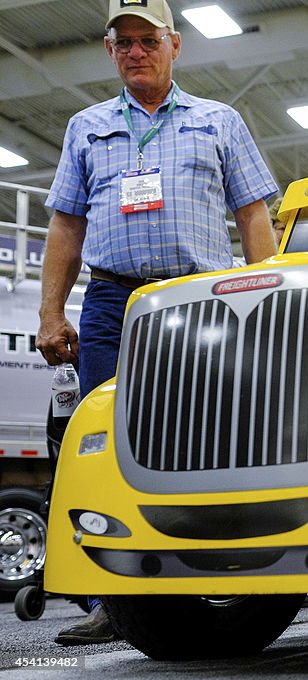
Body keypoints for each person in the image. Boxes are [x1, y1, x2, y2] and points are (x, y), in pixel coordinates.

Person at [37, 0, 279, 644]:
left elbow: (254, 214)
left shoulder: (218, 121)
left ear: (175, 46)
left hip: (204, 297)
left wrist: (271, 293)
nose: (137, 51)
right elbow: (66, 222)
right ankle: (109, 601)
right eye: (125, 42)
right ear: (109, 50)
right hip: (113, 304)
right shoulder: (86, 127)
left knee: (230, 433)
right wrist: (51, 310)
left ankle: (268, 573)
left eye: (149, 40)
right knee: (104, 442)